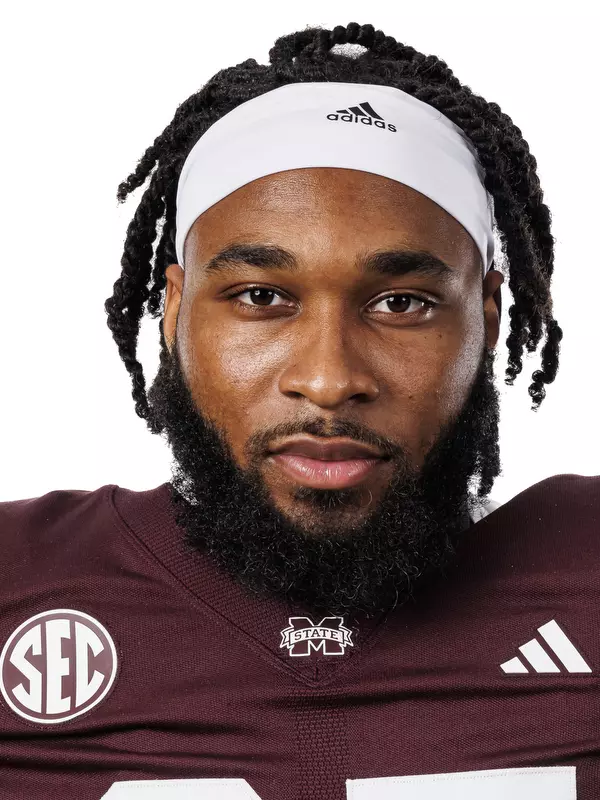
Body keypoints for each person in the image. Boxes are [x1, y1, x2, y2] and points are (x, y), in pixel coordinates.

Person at [1, 21, 597, 800]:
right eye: (261, 297)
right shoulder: (20, 584)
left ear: (486, 313)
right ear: (175, 308)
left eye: (402, 303)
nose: (327, 379)